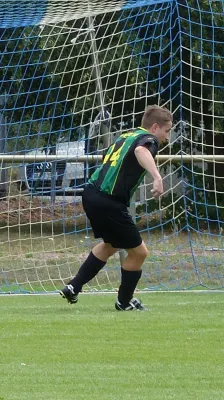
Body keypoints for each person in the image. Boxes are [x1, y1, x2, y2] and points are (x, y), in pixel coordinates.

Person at [59, 105, 172, 310]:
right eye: (167, 131)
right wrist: (157, 176)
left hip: (91, 193)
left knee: (111, 244)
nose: (167, 137)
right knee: (139, 254)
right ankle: (124, 301)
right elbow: (141, 150)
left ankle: (73, 287)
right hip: (108, 201)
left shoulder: (127, 135)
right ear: (155, 127)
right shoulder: (148, 139)